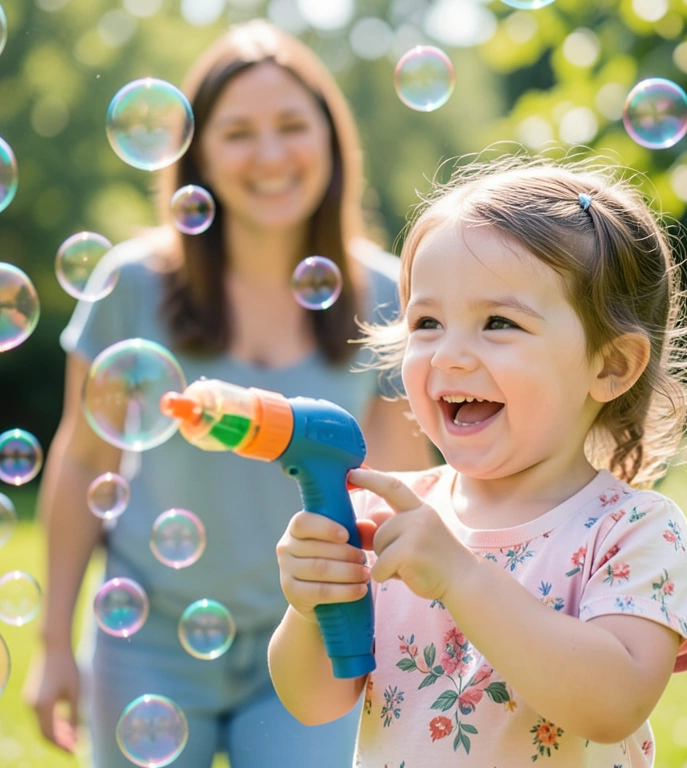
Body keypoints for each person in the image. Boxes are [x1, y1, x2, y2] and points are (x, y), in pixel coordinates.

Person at [26, 20, 436, 768]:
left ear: (332, 141)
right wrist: (54, 643)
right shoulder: (131, 285)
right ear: (199, 156)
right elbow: (84, 462)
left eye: (292, 126)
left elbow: (393, 491)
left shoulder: (387, 293)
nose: (270, 155)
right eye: (239, 133)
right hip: (147, 633)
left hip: (314, 635)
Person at [268, 155, 687, 766]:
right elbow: (314, 702)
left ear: (611, 365)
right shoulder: (381, 516)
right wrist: (308, 604)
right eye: (427, 322)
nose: (448, 355)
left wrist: (463, 578)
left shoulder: (631, 532)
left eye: (498, 322)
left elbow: (614, 706)